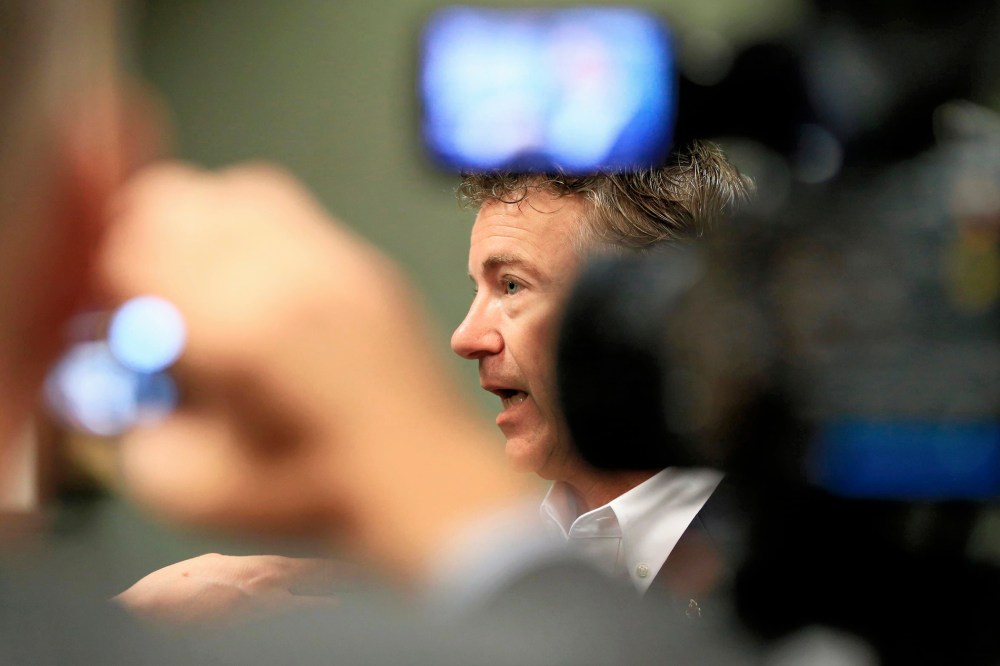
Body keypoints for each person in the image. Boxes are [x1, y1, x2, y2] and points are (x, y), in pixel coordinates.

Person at [450, 149, 753, 599]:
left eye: (511, 285)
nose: (465, 337)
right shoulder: (488, 565)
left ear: (652, 313)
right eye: (479, 290)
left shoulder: (791, 576)